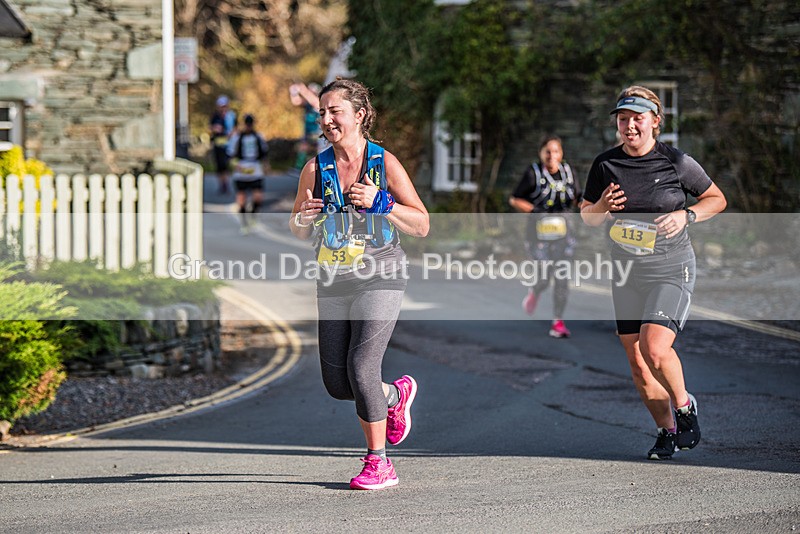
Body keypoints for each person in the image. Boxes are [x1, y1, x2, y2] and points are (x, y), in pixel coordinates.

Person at [289, 79, 429, 490]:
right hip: (333, 278)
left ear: (360, 115)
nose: (328, 119)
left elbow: (421, 223)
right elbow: (298, 227)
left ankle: (378, 461)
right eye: (323, 113)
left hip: (381, 274)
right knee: (338, 384)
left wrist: (382, 203)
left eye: (336, 111)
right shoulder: (315, 168)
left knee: (361, 366)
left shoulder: (383, 163)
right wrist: (302, 219)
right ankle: (393, 396)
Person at [580, 86, 727, 460]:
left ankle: (684, 406)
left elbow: (717, 198)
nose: (630, 126)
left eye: (637, 119)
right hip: (627, 273)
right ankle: (666, 430)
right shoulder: (605, 164)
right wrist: (600, 205)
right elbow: (586, 217)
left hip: (670, 268)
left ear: (655, 123)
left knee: (655, 348)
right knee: (639, 365)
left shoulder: (676, 162)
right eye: (623, 119)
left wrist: (686, 214)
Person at [509, 135, 581, 338]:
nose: (552, 156)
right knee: (545, 276)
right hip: (538, 234)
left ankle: (558, 321)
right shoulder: (533, 173)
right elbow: (515, 199)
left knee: (561, 276)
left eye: (556, 151)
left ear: (561, 153)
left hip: (565, 233)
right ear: (541, 153)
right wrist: (534, 212)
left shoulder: (568, 172)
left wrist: (592, 208)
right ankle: (536, 290)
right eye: (548, 152)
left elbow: (577, 197)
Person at [227, 114, 269, 232]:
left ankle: (253, 216)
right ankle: (244, 223)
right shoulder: (237, 137)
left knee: (258, 197)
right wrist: (235, 165)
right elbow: (230, 154)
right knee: (241, 199)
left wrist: (266, 165)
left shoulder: (258, 137)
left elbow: (264, 152)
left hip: (255, 168)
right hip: (241, 169)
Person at [289, 82, 323, 169]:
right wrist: (293, 92)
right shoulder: (307, 104)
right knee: (303, 148)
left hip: (316, 132)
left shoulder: (318, 102)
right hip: (307, 131)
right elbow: (296, 102)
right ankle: (300, 167)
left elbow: (314, 102)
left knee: (316, 150)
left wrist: (303, 90)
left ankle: (317, 167)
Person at [209, 95, 237, 194]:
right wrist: (215, 128)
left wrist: (230, 135)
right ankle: (222, 184)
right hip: (218, 144)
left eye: (224, 106)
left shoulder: (231, 115)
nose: (223, 108)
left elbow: (235, 129)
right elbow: (211, 127)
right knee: (219, 166)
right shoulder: (215, 116)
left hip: (228, 144)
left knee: (227, 165)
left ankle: (227, 184)